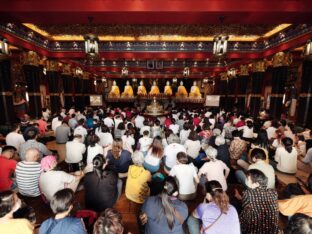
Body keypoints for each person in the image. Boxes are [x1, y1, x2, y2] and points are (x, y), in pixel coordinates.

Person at [235, 169, 279, 234]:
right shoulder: (273, 193)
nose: (246, 181)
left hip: (255, 230)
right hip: (272, 230)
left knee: (235, 207)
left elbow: (245, 211)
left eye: (248, 179)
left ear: (256, 184)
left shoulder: (248, 193)